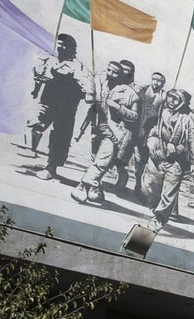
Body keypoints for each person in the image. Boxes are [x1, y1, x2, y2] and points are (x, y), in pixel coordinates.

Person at [70, 60, 139, 204]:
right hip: (97, 126)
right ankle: (96, 190)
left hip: (115, 131)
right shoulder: (100, 81)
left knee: (103, 160)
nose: (112, 74)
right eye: (110, 70)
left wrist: (118, 107)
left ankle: (83, 186)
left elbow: (134, 116)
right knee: (96, 159)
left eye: (118, 72)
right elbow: (90, 96)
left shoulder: (130, 93)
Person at [28, 33, 88, 181]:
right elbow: (40, 77)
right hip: (48, 101)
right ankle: (33, 151)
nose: (61, 47)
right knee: (37, 125)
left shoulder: (78, 66)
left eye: (65, 45)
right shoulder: (50, 60)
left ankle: (51, 167)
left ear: (72, 48)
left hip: (66, 107)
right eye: (59, 44)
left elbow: (85, 89)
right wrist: (36, 90)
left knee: (59, 137)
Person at [145, 89, 194, 230]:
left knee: (169, 192)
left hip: (177, 161)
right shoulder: (161, 111)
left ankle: (159, 218)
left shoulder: (189, 119)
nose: (171, 101)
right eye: (170, 97)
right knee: (149, 186)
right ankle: (155, 210)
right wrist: (151, 141)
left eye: (176, 99)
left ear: (182, 102)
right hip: (158, 154)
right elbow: (152, 128)